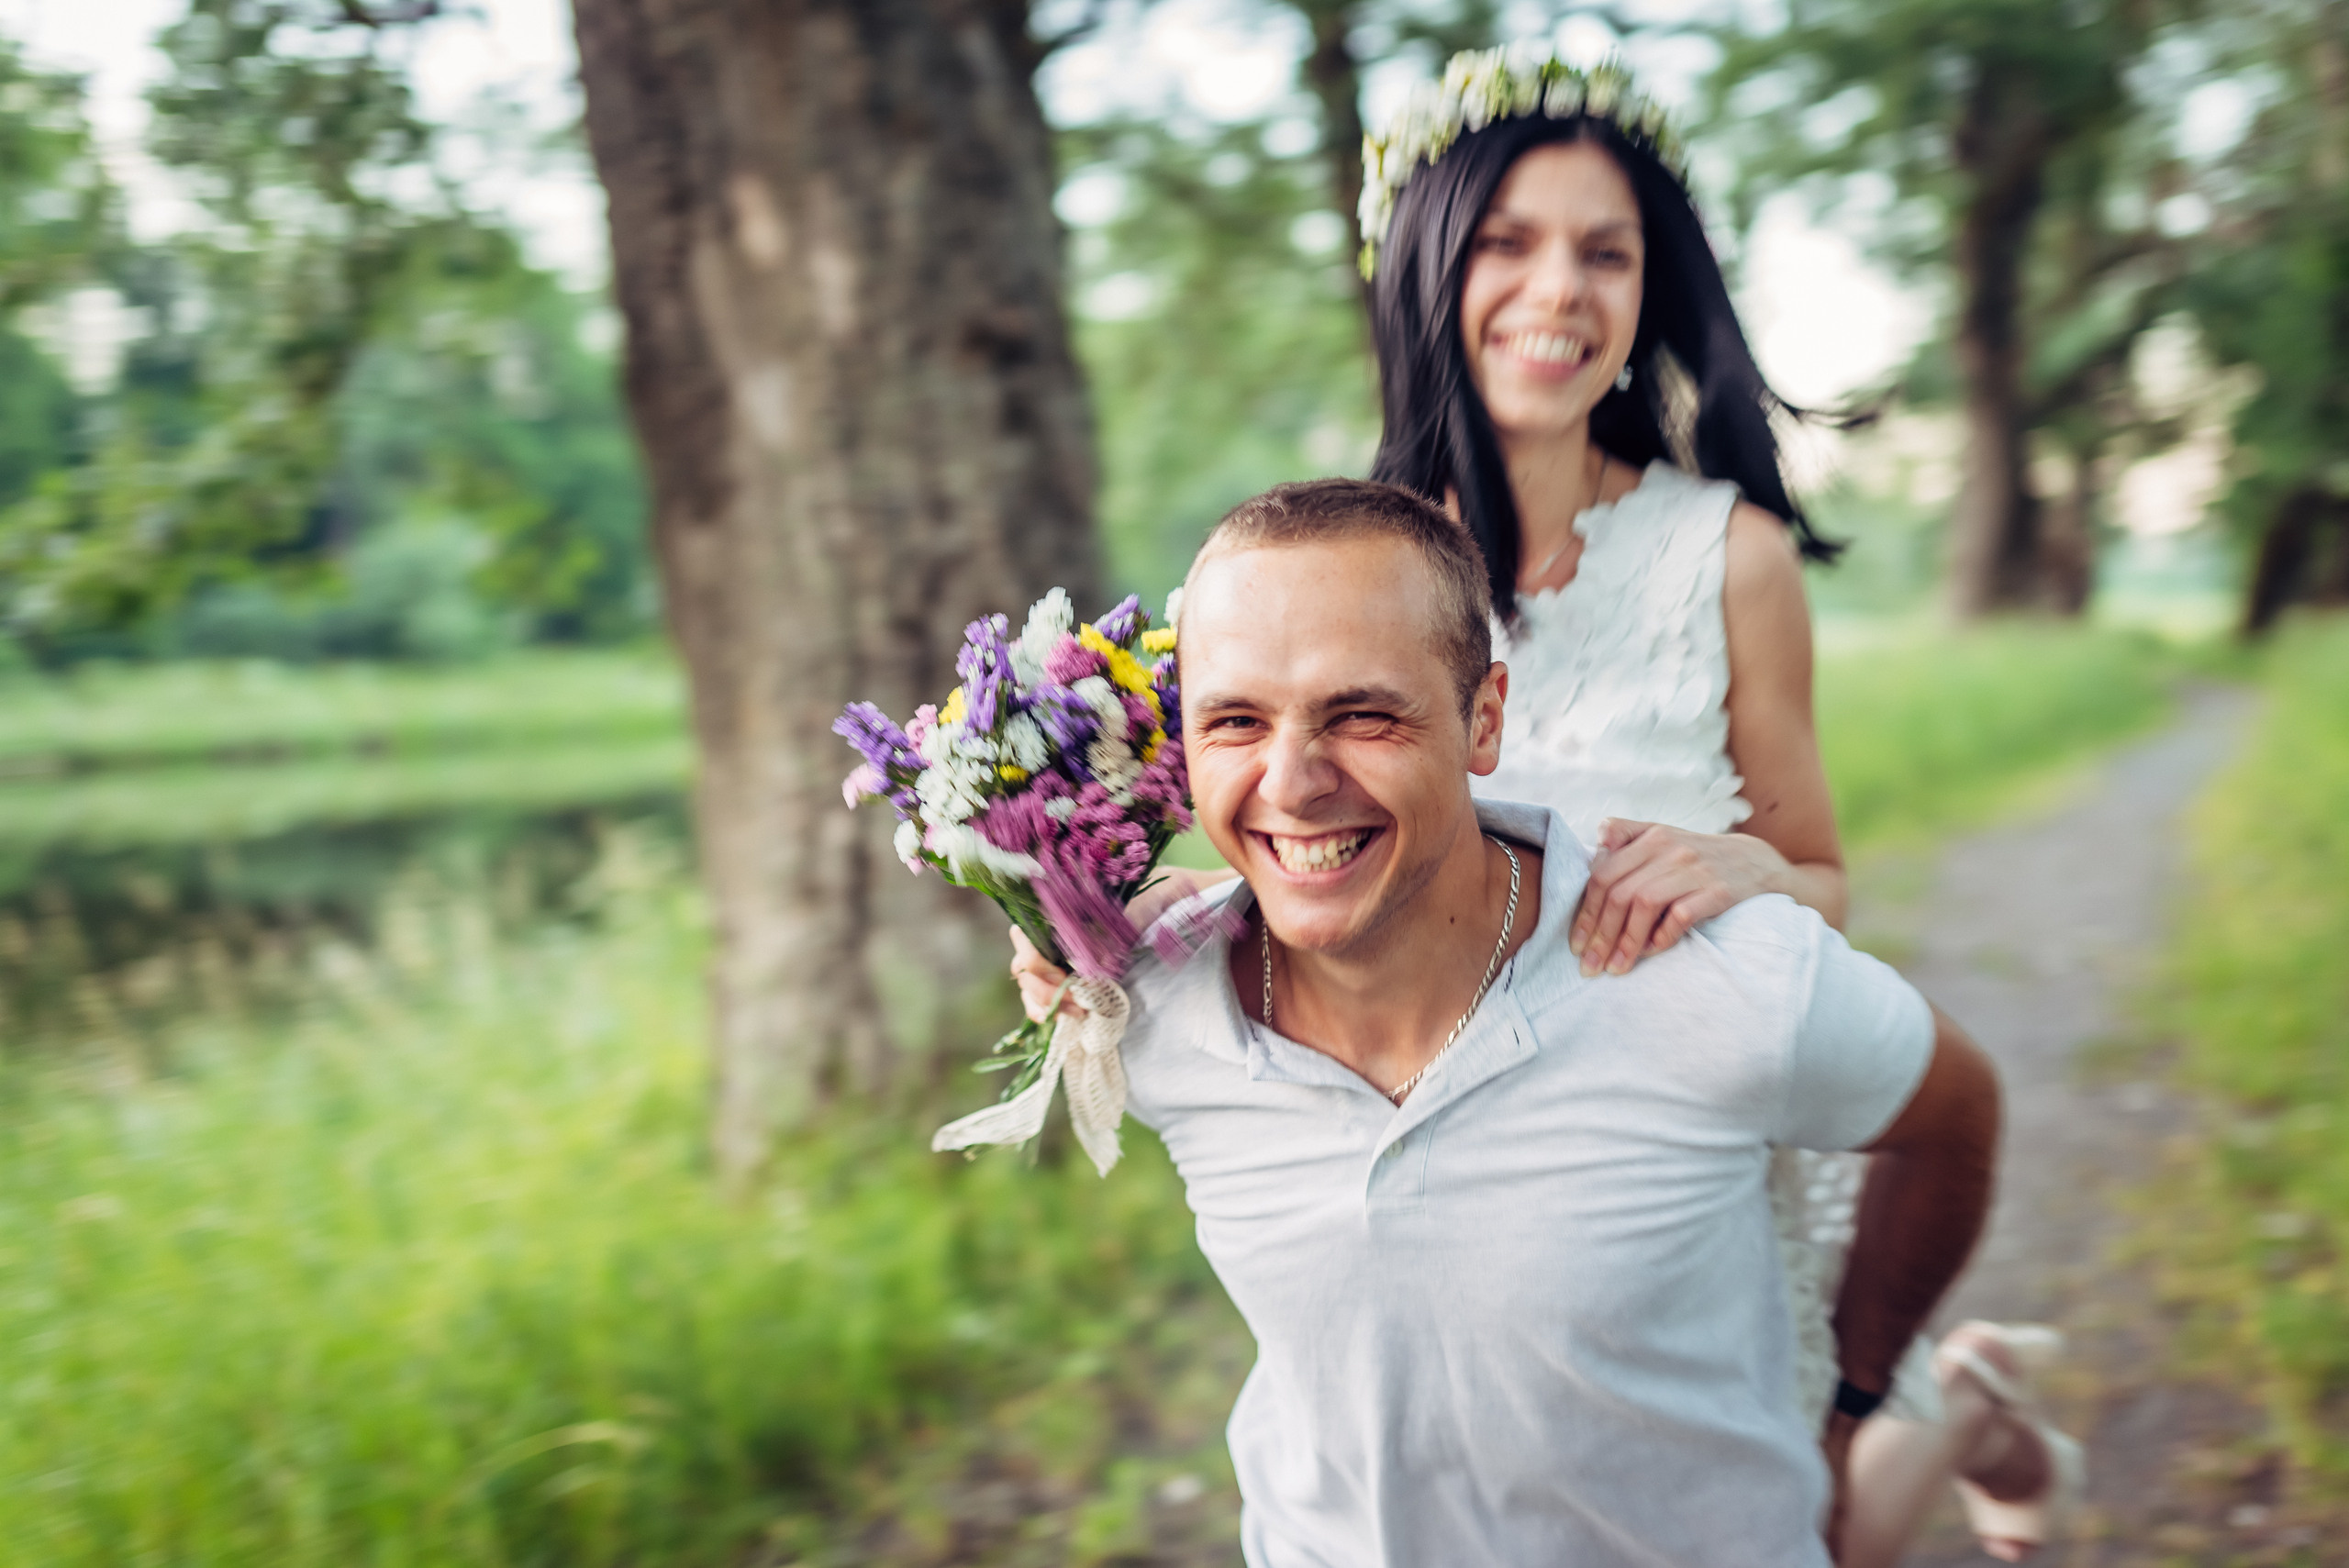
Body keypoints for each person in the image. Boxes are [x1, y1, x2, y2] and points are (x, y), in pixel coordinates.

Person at [1021, 51, 2081, 1562]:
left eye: (1607, 251)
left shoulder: (1729, 554)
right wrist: (1083, 923)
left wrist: (1747, 867)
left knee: (1802, 1518)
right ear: (1435, 263)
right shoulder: (1349, 567)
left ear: (1655, 290)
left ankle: (1967, 1408)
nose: (1559, 290)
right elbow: (1277, 816)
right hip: (1442, 1090)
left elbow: (1826, 870)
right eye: (1511, 242)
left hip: (1665, 1083)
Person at [1041, 476, 2001, 1565]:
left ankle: (1963, 1405)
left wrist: (1856, 1397)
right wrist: (1049, 925)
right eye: (1235, 721)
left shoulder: (1714, 977)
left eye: (1361, 714)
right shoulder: (1154, 1007)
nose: (1292, 781)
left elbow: (1954, 1114)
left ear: (1483, 718)